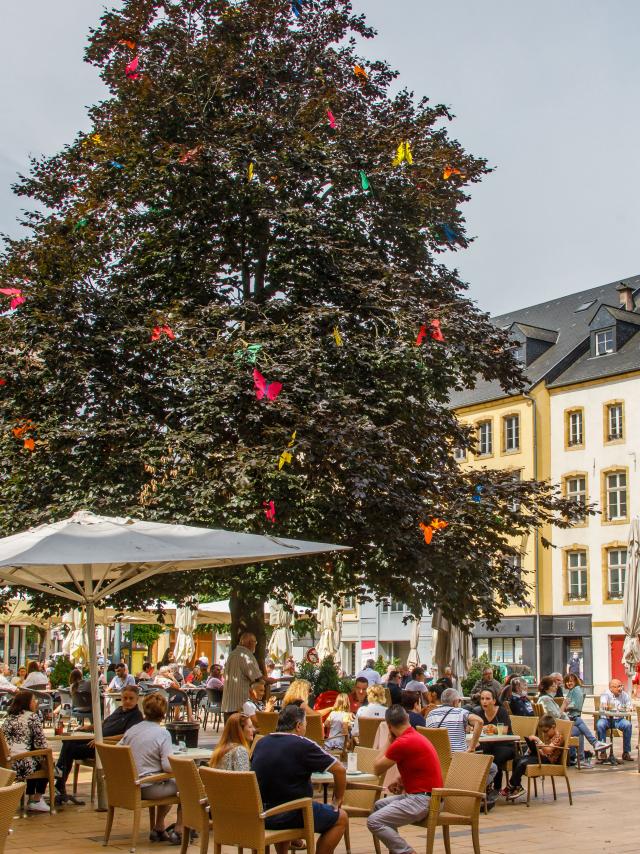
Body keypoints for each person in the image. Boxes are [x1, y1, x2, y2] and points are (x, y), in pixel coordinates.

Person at [251, 704, 348, 854]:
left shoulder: (262, 742)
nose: (305, 729)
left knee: (283, 795)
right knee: (341, 818)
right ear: (298, 725)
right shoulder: (302, 744)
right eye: (305, 725)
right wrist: (337, 800)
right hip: (291, 814)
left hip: (261, 814)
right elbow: (340, 770)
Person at [368, 705, 443, 853]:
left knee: (374, 821)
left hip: (423, 801)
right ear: (407, 718)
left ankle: (406, 852)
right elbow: (420, 767)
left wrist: (389, 740)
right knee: (379, 806)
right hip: (429, 797)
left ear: (389, 726)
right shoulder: (416, 736)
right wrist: (401, 780)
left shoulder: (402, 742)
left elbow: (376, 768)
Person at [55, 684, 143, 803]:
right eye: (125, 698)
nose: (127, 701)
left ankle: (59, 780)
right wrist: (88, 727)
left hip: (106, 746)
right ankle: (60, 780)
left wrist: (101, 741)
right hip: (96, 739)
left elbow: (127, 736)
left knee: (70, 749)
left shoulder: (136, 716)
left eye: (131, 698)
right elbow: (103, 723)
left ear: (137, 699)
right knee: (68, 740)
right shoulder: (118, 710)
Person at [120, 692, 184, 844]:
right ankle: (179, 830)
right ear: (163, 713)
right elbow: (168, 766)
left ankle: (159, 827)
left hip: (127, 786)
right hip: (146, 787)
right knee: (187, 785)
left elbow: (118, 750)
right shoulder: (162, 733)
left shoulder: (132, 730)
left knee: (170, 783)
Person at [1, 690, 50, 811]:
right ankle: (36, 798)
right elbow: (41, 744)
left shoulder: (9, 718)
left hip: (5, 762)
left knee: (36, 756)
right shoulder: (32, 717)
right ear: (27, 703)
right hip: (20, 763)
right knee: (46, 760)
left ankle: (31, 796)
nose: (36, 703)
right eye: (34, 700)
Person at [504, 714, 565, 801]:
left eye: (546, 731)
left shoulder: (558, 737)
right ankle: (517, 787)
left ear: (553, 727)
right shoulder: (549, 735)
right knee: (517, 760)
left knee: (522, 763)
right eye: (543, 732)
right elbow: (544, 750)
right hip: (542, 757)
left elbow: (548, 750)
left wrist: (538, 740)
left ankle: (510, 786)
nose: (545, 733)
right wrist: (534, 748)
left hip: (548, 761)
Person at [474, 688, 514, 795]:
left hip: (506, 745)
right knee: (475, 753)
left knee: (494, 757)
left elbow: (505, 730)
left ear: (494, 701)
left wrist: (491, 727)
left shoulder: (501, 711)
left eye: (487, 699)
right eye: (482, 699)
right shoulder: (478, 713)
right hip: (488, 745)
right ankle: (480, 786)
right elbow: (472, 728)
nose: (484, 701)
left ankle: (496, 788)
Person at [561, 673, 607, 764]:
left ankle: (582, 756)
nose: (568, 683)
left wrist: (565, 706)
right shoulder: (571, 690)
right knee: (579, 725)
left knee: (579, 725)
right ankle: (592, 745)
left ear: (575, 682)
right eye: (567, 681)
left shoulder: (576, 690)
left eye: (571, 681)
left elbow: (576, 705)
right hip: (571, 719)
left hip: (572, 718)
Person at [221, 632, 264, 717]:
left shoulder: (232, 655)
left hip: (227, 704)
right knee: (243, 729)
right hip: (241, 705)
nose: (255, 645)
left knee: (229, 729)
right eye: (255, 642)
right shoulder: (246, 655)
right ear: (249, 643)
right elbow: (257, 678)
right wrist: (272, 680)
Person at [597, 679, 633, 761]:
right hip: (606, 719)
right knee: (600, 725)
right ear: (611, 688)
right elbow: (604, 705)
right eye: (618, 686)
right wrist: (606, 706)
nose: (620, 688)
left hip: (619, 720)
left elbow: (629, 706)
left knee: (628, 725)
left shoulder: (624, 695)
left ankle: (626, 752)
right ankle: (603, 751)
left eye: (621, 686)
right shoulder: (605, 694)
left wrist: (629, 708)